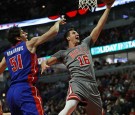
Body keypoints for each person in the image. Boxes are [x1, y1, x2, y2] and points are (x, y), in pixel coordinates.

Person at [41, 1, 115, 115]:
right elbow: (47, 61)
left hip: (92, 84)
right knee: (70, 106)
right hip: (77, 82)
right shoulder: (63, 53)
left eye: (77, 32)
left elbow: (98, 27)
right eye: (74, 33)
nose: (77, 34)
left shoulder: (85, 43)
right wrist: (44, 63)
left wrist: (108, 8)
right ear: (68, 38)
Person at [0, 18, 66, 115]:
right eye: (23, 32)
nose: (26, 33)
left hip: (11, 93)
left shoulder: (6, 55)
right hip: (25, 88)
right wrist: (57, 22)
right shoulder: (29, 44)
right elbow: (53, 32)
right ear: (18, 38)